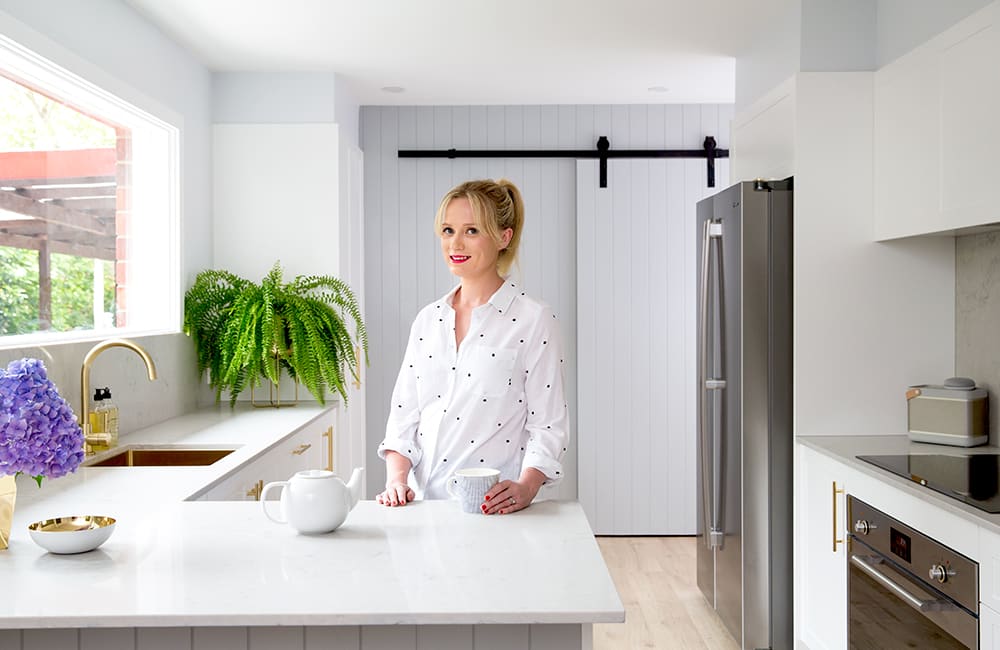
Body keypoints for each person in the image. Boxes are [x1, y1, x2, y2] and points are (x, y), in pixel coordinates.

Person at [376, 179, 569, 514]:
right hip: (424, 511)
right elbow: (404, 419)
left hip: (494, 510)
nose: (455, 243)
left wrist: (526, 487)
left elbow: (548, 426)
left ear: (503, 238)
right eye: (448, 230)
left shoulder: (533, 319)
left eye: (472, 231)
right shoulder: (427, 321)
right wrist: (397, 479)